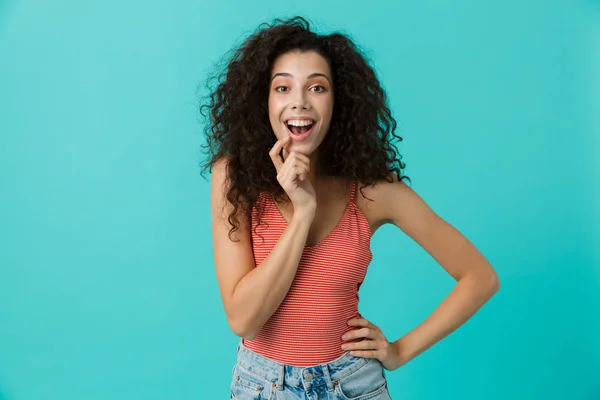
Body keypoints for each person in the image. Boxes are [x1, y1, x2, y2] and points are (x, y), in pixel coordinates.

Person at [201, 16, 500, 400]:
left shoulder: (372, 193)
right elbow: (244, 319)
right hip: (261, 385)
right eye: (283, 87)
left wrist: (400, 351)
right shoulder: (233, 177)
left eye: (317, 87)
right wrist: (303, 211)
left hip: (353, 385)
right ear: (264, 100)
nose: (299, 102)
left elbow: (480, 277)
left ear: (337, 101)